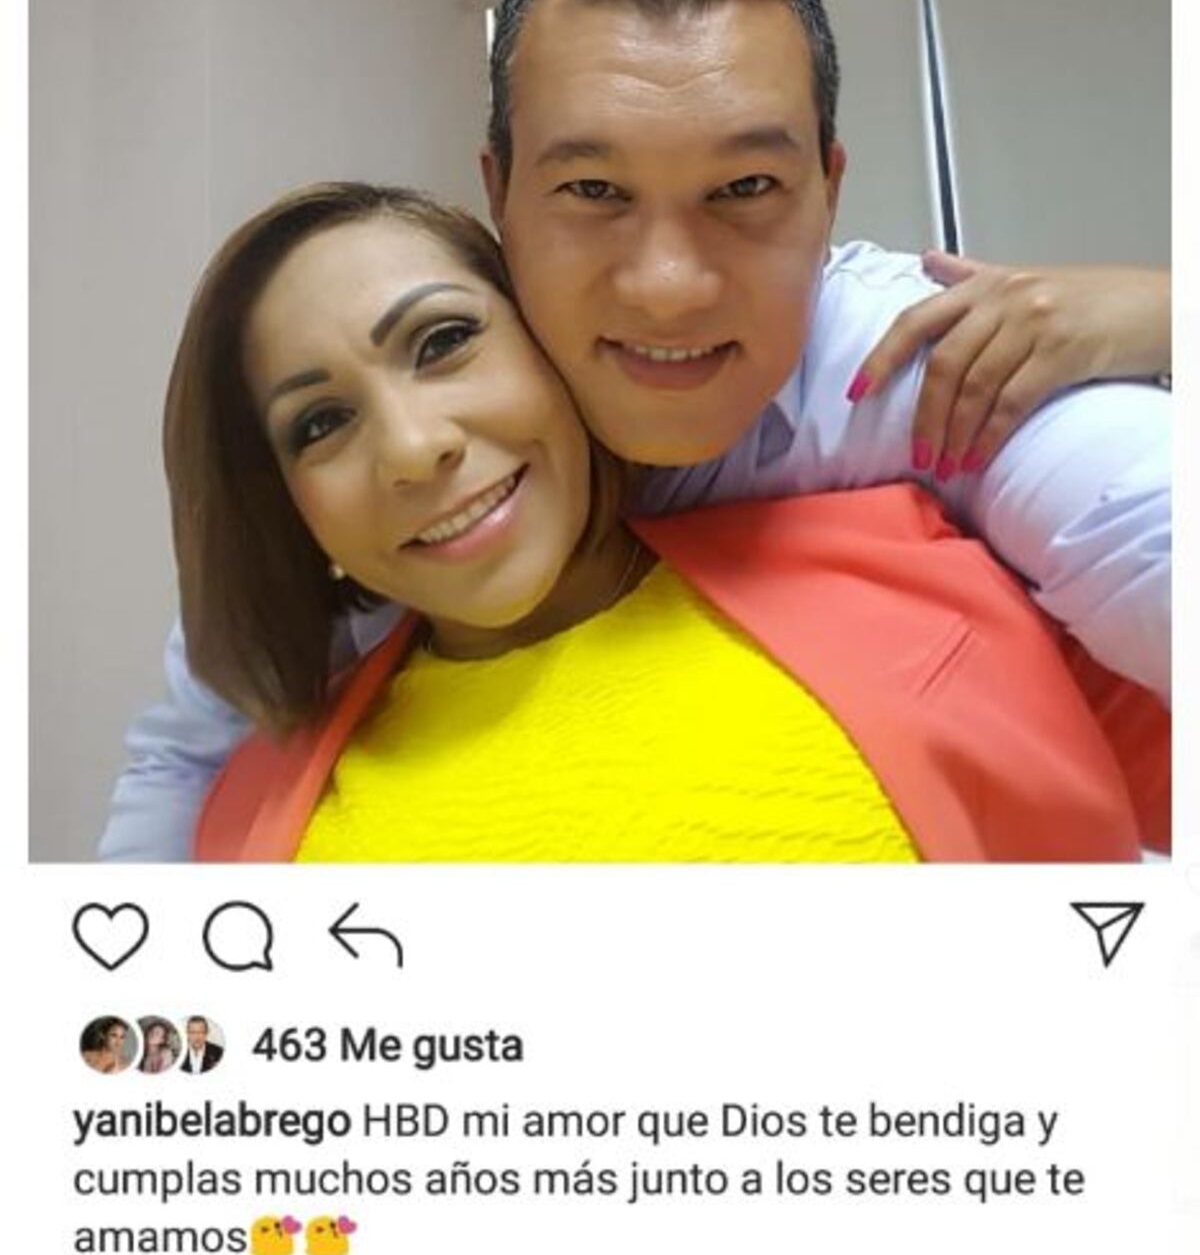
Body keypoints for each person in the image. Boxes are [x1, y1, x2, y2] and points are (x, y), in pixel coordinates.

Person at [102, 0, 1170, 860]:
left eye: (744, 187)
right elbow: (190, 744)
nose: (667, 288)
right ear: (500, 197)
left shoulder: (921, 356)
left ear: (829, 191)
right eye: (593, 192)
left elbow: (1135, 516)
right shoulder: (388, 506)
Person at [169, 183, 1165, 864]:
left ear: (553, 344)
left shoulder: (924, 575)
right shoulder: (243, 818)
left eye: (444, 341)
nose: (412, 447)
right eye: (320, 423)